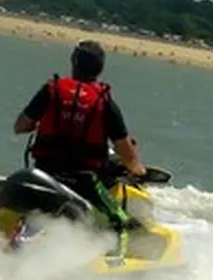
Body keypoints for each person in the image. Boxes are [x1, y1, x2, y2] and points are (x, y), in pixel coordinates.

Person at [13, 39, 146, 260]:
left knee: (30, 211)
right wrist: (138, 170)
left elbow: (20, 126)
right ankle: (115, 263)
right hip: (83, 181)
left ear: (73, 63)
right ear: (100, 68)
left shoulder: (51, 90)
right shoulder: (105, 103)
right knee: (120, 219)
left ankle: (9, 245)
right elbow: (127, 155)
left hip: (44, 174)